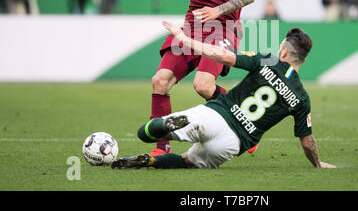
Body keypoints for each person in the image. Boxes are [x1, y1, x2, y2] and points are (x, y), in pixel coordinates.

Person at [111, 20, 336, 170]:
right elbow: (307, 142)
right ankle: (151, 161)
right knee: (187, 161)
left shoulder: (267, 60)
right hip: (233, 143)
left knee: (145, 133)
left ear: (284, 51)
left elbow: (224, 56)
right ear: (303, 59)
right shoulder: (301, 97)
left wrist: (185, 39)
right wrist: (317, 164)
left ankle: (169, 125)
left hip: (217, 114)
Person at [148, 0, 255, 156]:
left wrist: (217, 10)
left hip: (223, 27)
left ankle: (245, 125)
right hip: (192, 27)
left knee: (203, 85)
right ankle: (162, 148)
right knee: (160, 81)